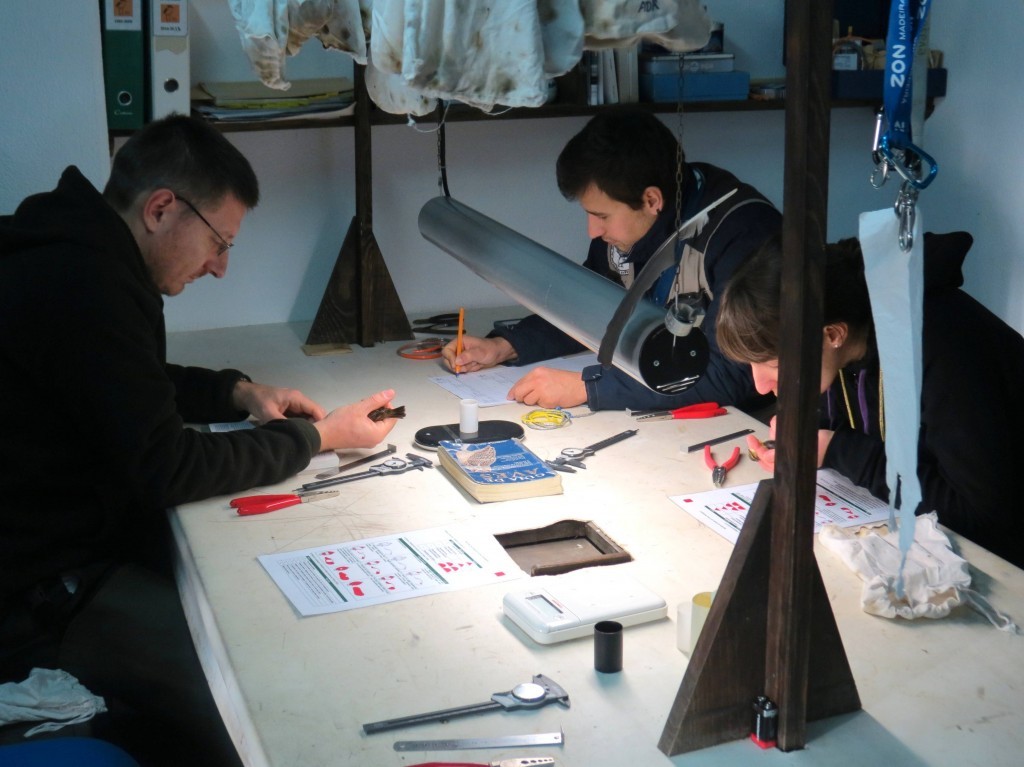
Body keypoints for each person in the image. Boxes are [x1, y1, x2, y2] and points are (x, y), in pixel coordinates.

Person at [0, 115, 399, 763]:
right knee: (267, 691)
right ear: (161, 208)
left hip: (70, 548)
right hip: (44, 593)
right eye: (219, 241)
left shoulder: (73, 245)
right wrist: (317, 437)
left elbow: (124, 380)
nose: (219, 267)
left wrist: (236, 391)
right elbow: (169, 466)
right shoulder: (84, 282)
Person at [717, 232, 1024, 569]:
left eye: (774, 365)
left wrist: (836, 450)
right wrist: (807, 433)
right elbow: (862, 414)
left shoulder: (944, 347)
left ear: (833, 334)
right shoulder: (846, 341)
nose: (760, 386)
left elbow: (980, 517)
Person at [441, 109, 781, 412]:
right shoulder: (626, 230)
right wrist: (505, 346)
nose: (593, 231)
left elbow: (735, 374)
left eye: (601, 216)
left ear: (651, 200)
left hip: (743, 420)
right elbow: (589, 308)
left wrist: (588, 387)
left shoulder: (743, 235)